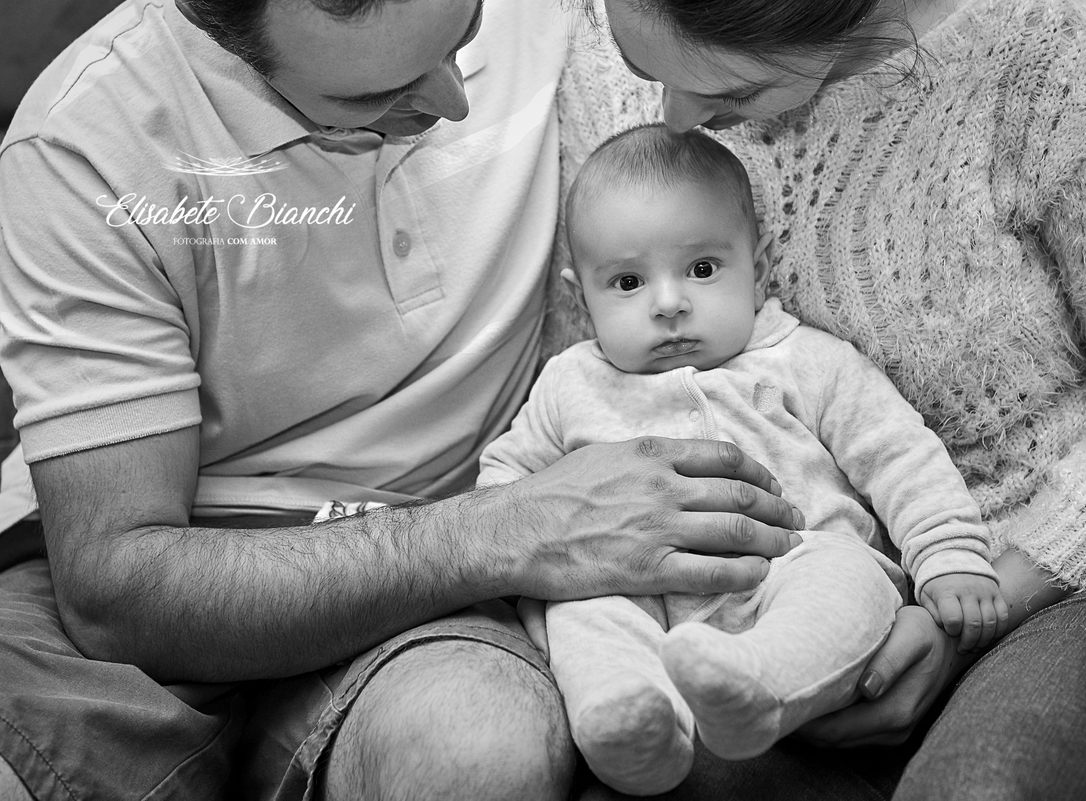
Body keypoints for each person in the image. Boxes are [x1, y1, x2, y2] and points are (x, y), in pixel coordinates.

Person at [0, 0, 805, 798]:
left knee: (478, 754)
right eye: (371, 96)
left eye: (466, 36)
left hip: (426, 596)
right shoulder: (83, 146)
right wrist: (513, 525)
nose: (454, 101)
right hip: (158, 579)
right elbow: (116, 589)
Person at [541, 0, 1086, 797]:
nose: (672, 119)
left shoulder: (1045, 58)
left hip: (1073, 560)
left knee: (981, 785)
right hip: (749, 592)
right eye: (644, 70)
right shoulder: (605, 33)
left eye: (732, 86)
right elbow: (586, 385)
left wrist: (965, 606)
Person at [478, 122, 1007, 796]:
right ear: (582, 299)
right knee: (586, 611)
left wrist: (949, 554)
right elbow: (503, 492)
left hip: (796, 560)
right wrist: (532, 586)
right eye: (629, 281)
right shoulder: (569, 385)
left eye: (702, 268)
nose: (670, 303)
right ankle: (631, 719)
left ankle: (760, 683)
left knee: (845, 576)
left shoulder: (808, 360)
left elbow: (900, 455)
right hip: (640, 591)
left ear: (755, 271)